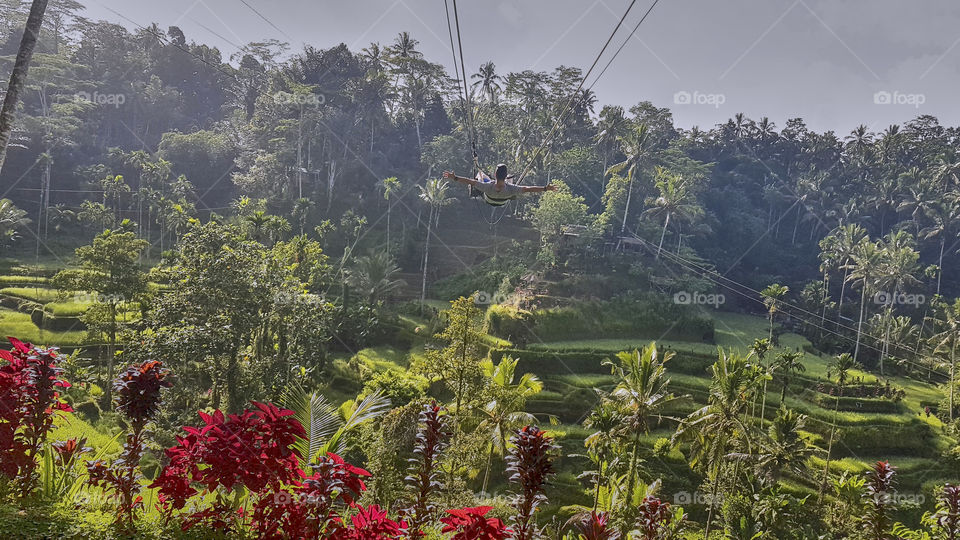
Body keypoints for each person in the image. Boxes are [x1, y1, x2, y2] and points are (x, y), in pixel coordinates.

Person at [443, 163, 555, 206]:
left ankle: (479, 179)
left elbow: (469, 181)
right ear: (505, 176)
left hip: (488, 198)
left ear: (495, 174)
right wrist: (545, 188)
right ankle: (506, 179)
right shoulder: (511, 188)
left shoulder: (487, 186)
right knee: (516, 189)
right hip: (503, 200)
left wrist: (455, 178)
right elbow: (528, 189)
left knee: (480, 174)